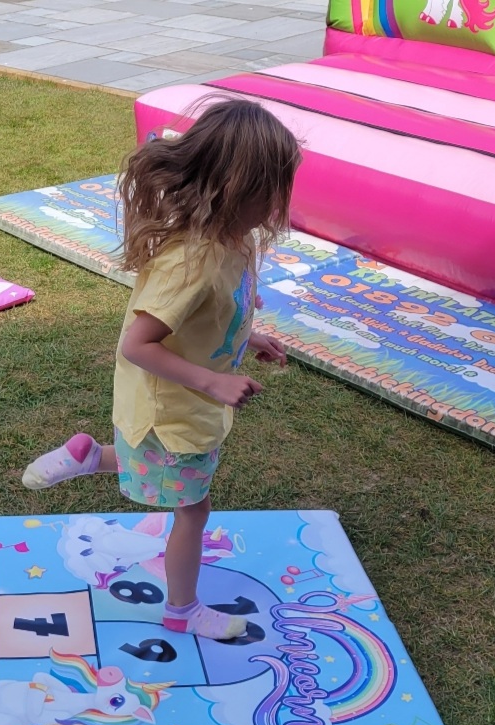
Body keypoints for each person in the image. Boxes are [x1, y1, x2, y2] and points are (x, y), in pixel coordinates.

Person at [22, 98, 302, 640]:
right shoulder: (190, 264)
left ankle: (87, 457)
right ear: (237, 188)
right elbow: (138, 344)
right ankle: (182, 610)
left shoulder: (232, 243)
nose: (277, 204)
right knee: (192, 512)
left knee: (156, 468)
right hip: (172, 407)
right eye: (271, 190)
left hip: (180, 407)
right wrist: (213, 381)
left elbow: (213, 318)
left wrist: (252, 336)